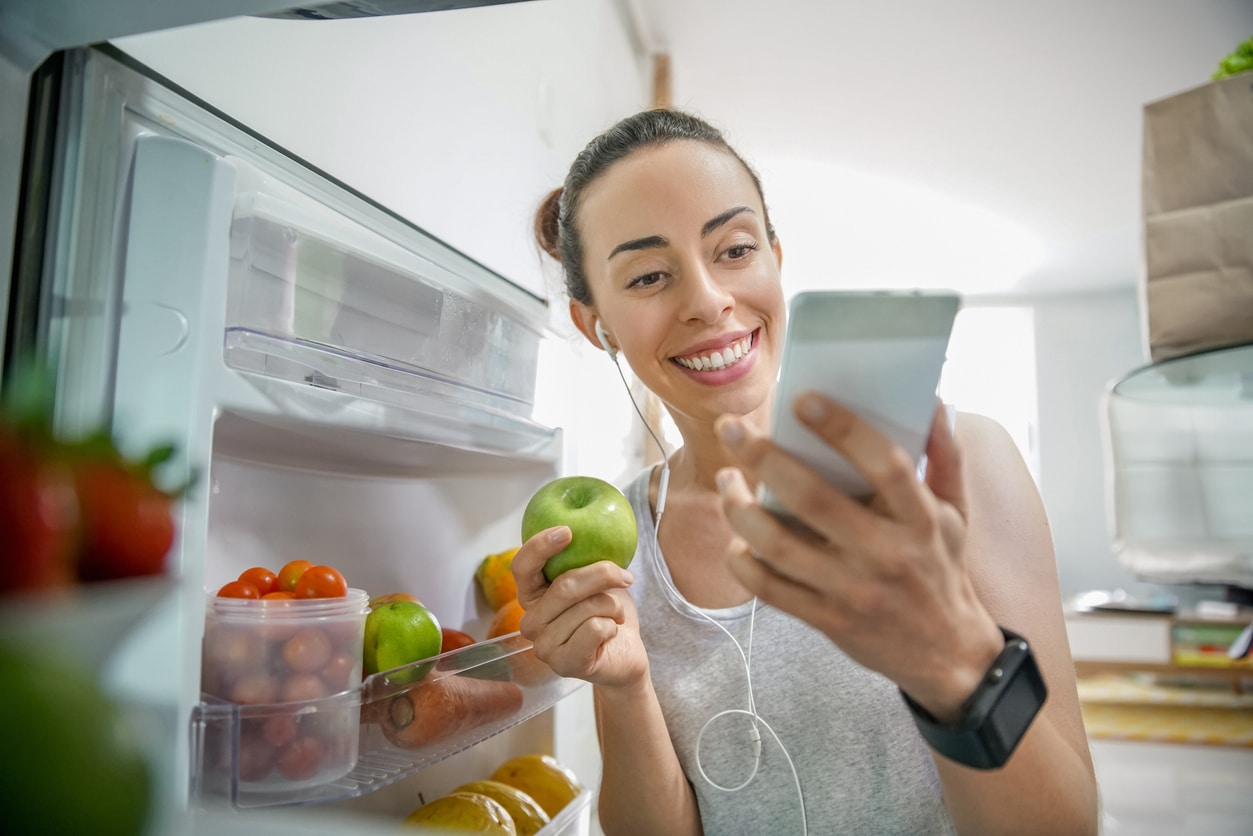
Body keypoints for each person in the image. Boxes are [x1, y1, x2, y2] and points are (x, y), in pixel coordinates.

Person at [513, 108, 1098, 835]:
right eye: (649, 275)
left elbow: (1066, 825)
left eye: (733, 249)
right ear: (593, 323)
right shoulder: (622, 550)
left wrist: (949, 658)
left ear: (775, 258)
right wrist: (625, 684)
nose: (707, 300)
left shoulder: (954, 467)